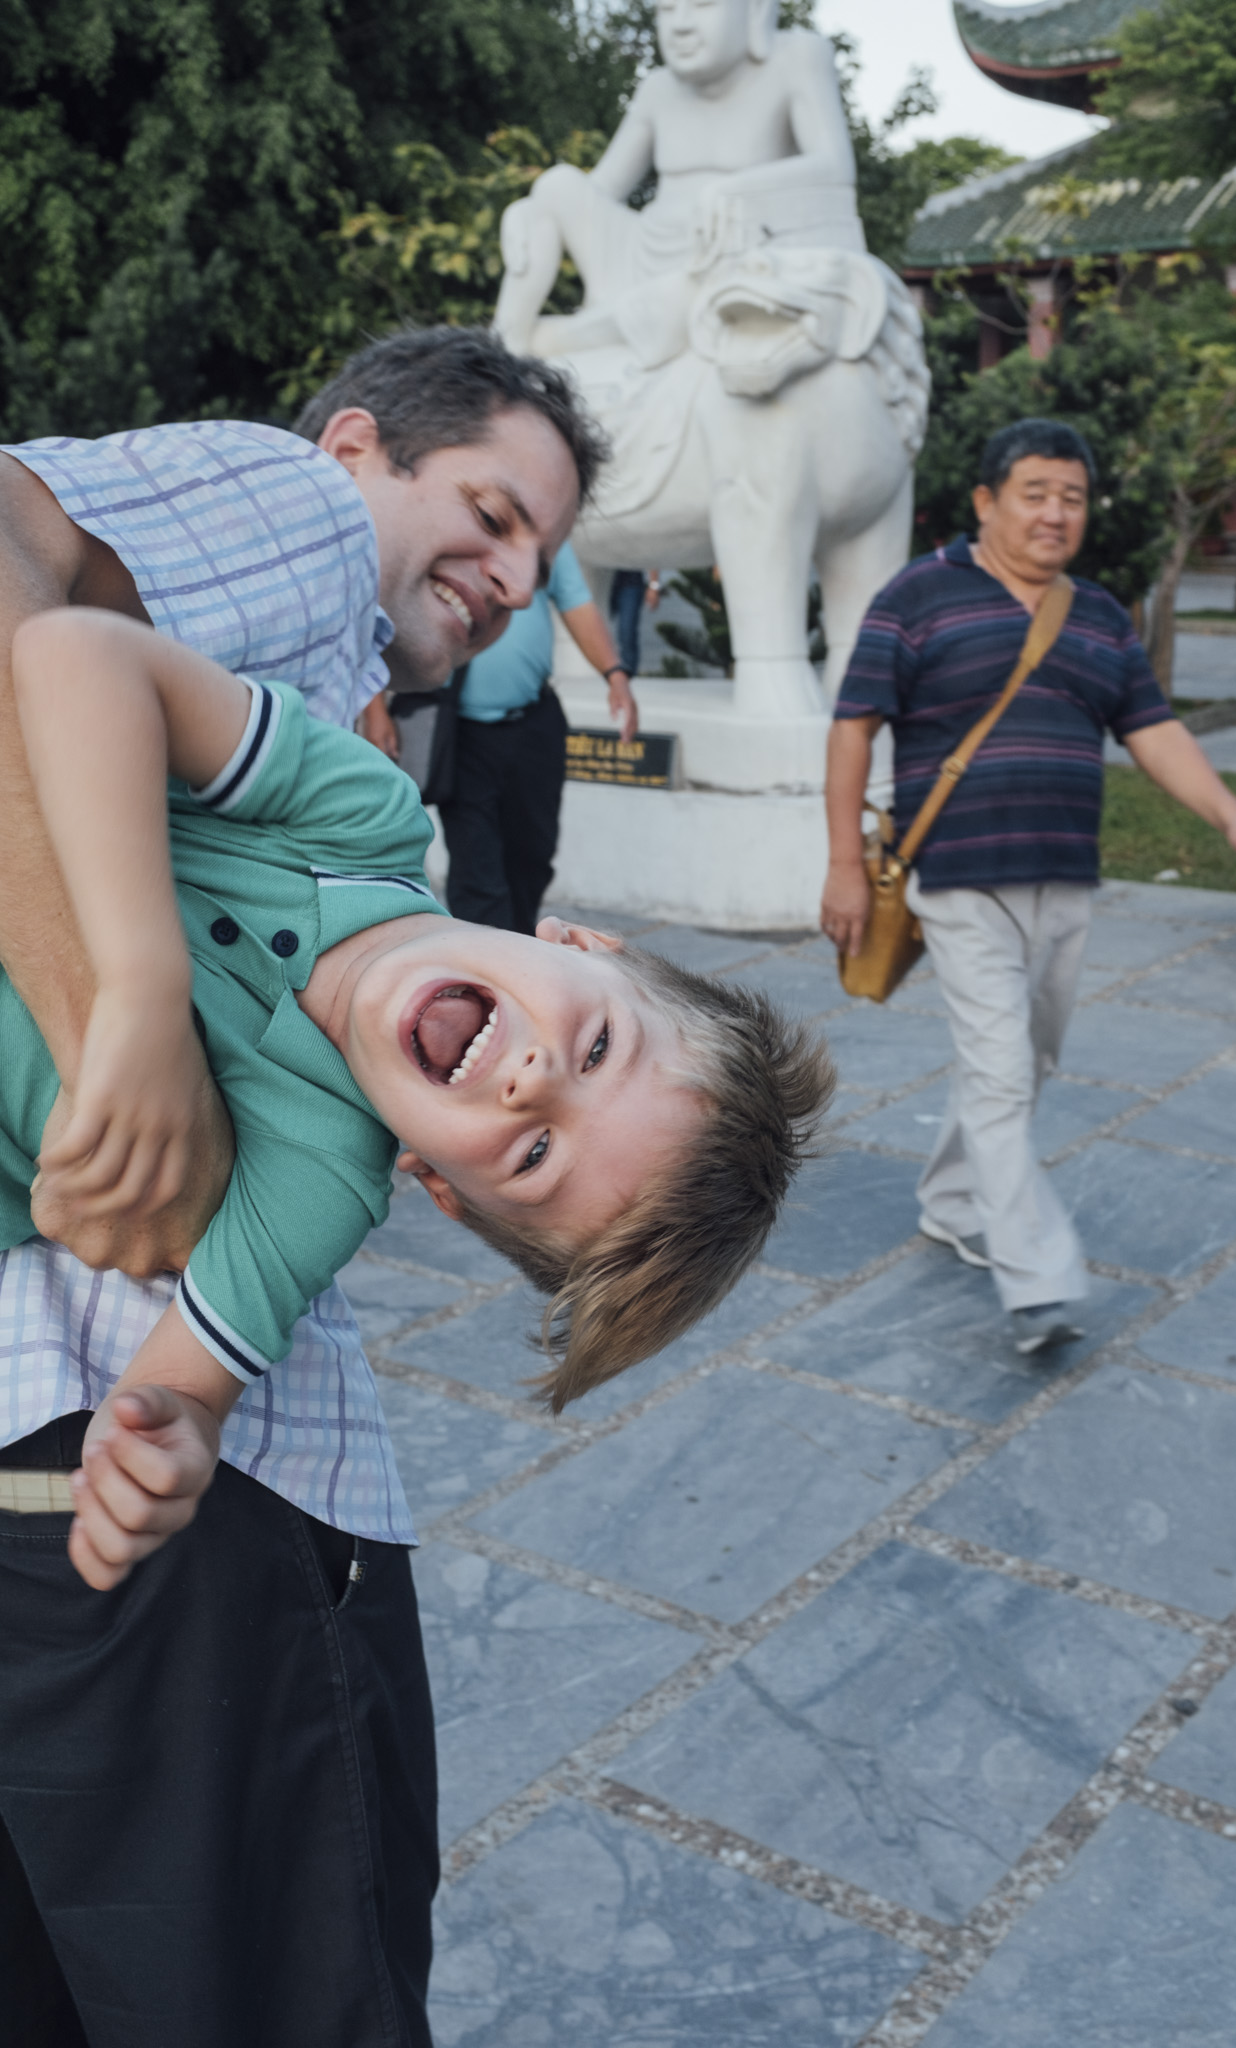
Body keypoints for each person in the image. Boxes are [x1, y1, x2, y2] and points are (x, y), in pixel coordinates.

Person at [0, 324, 603, 2047]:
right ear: (355, 450)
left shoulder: (352, 726)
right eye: (488, 512)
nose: (508, 576)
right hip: (153, 1474)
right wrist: (118, 1028)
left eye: (540, 560)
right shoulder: (300, 510)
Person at [5, 605, 831, 1581]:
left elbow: (182, 1391)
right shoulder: (360, 814)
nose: (533, 1083)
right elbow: (70, 650)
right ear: (580, 942)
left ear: (439, 1184)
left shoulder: (319, 1187)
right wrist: (141, 994)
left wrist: (164, 1445)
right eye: (601, 1043)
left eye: (535, 1155)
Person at [820, 418, 1236, 1356]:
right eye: (1034, 493)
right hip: (957, 878)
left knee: (1025, 1062)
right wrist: (839, 864)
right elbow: (853, 727)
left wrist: (1231, 817)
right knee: (996, 1071)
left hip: (1062, 875)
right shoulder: (917, 595)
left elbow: (1151, 731)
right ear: (986, 501)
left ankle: (952, 1200)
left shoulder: (1100, 615)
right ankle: (1037, 1279)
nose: (1054, 513)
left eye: (1070, 496)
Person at [493, 0, 859, 366]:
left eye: (703, 6)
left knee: (702, 288)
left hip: (721, 256)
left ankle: (574, 336)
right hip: (641, 254)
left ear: (755, 10)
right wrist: (529, 210)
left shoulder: (796, 58)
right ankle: (503, 350)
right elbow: (600, 190)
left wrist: (736, 191)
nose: (680, 25)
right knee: (556, 185)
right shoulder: (657, 89)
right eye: (666, 9)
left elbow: (835, 168)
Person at [442, 542, 636, 933]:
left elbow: (577, 602)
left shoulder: (542, 534)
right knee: (476, 867)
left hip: (535, 723)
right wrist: (377, 709)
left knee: (533, 854)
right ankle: (492, 966)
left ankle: (516, 947)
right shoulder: (451, 526)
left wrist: (615, 674)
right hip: (461, 732)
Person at [608, 567, 662, 678]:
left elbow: (651, 551)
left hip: (630, 581)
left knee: (627, 633)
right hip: (600, 579)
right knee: (599, 630)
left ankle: (628, 677)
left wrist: (654, 585)